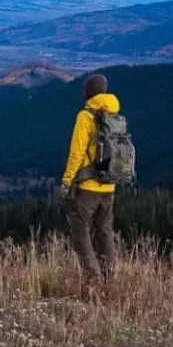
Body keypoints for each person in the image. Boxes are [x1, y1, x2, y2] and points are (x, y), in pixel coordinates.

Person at [59, 73, 118, 283]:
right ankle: (109, 277)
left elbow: (77, 153)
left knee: (80, 231)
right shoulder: (114, 114)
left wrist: (67, 182)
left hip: (88, 186)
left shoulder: (86, 116)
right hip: (109, 185)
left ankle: (93, 277)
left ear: (88, 92)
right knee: (105, 231)